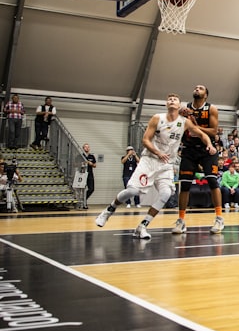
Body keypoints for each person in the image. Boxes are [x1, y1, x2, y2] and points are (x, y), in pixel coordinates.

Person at [96, 94, 216, 239]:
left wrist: (209, 144)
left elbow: (202, 134)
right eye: (169, 99)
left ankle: (142, 226)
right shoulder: (157, 118)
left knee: (166, 194)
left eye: (175, 99)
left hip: (166, 164)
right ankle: (109, 210)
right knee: (132, 191)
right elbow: (145, 140)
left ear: (179, 106)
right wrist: (158, 153)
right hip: (150, 160)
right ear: (166, 104)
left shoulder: (184, 122)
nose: (172, 100)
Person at [175, 85, 224, 235]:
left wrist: (194, 127)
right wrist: (180, 116)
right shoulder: (185, 109)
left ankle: (219, 218)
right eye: (196, 88)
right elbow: (176, 124)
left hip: (207, 148)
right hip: (189, 149)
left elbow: (214, 131)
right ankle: (181, 220)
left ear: (206, 95)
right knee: (184, 185)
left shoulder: (211, 109)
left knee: (212, 181)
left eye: (200, 88)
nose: (197, 89)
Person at [82, 143, 97, 209]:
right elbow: (75, 164)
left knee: (91, 189)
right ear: (83, 148)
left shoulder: (92, 156)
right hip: (82, 174)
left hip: (90, 174)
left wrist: (91, 164)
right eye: (86, 147)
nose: (87, 148)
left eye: (88, 147)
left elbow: (95, 165)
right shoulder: (81, 155)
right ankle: (83, 203)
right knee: (82, 189)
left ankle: (84, 200)